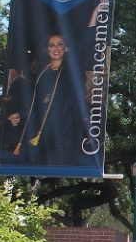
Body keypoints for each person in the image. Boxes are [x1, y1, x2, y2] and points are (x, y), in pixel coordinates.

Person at [10, 33, 85, 165]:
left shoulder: (72, 72)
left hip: (64, 129)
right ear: (47, 49)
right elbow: (35, 103)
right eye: (51, 45)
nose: (56, 48)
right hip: (42, 131)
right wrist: (20, 115)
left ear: (66, 47)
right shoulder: (40, 73)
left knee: (60, 166)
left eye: (60, 44)